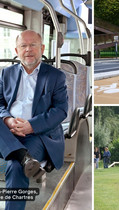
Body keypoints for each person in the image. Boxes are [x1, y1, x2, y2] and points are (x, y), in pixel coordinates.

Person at [0, 30, 68, 210]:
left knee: (15, 167)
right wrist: (7, 120)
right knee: (19, 158)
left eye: (33, 45)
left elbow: (60, 111)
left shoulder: (55, 76)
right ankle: (22, 155)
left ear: (42, 48)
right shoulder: (6, 74)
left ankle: (19, 156)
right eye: (23, 46)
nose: (28, 50)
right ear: (16, 50)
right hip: (8, 132)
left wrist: (31, 126)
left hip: (38, 135)